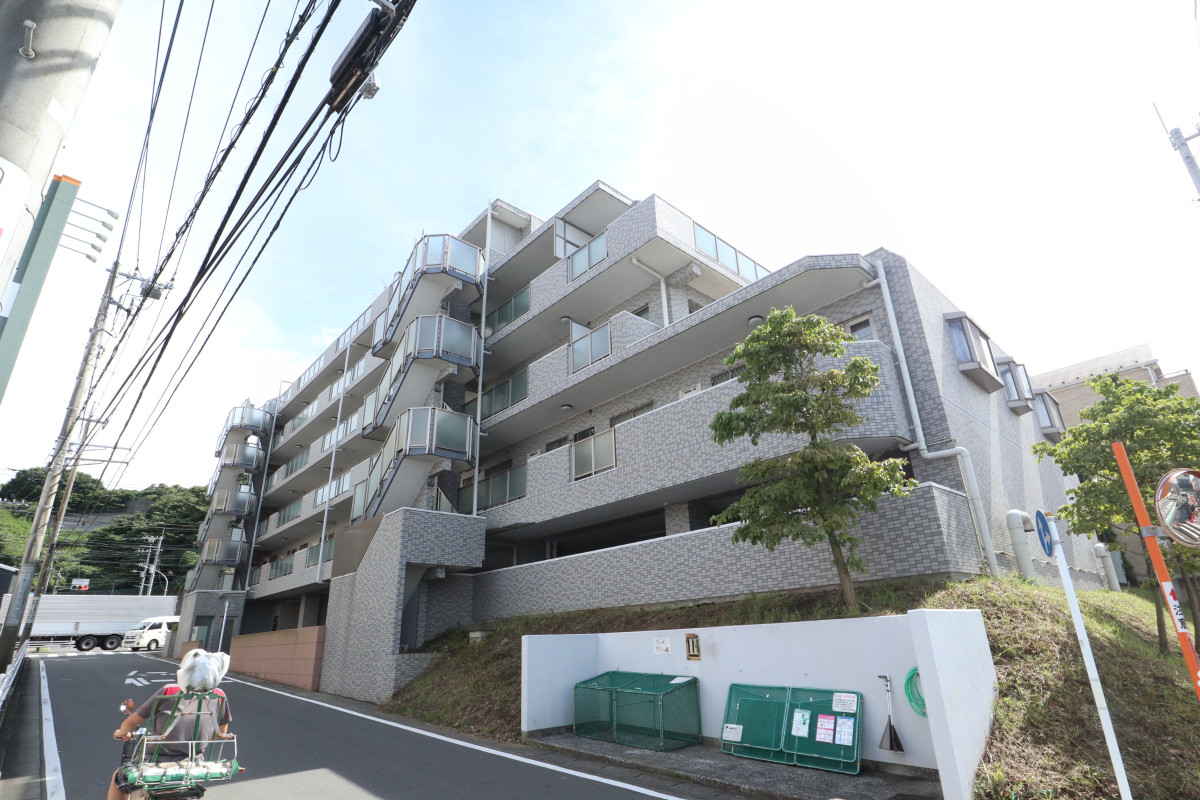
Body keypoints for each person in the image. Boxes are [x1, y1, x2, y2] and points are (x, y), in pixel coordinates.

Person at [107, 649, 233, 800]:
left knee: (118, 778)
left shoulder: (169, 690)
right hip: (193, 764)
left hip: (154, 763)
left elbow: (132, 721)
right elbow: (221, 732)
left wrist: (122, 732)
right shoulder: (219, 695)